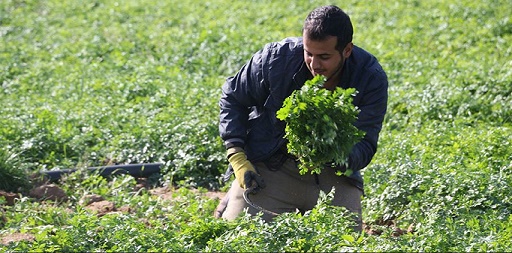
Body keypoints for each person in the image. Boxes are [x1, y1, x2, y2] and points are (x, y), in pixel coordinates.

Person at [215, 5, 388, 231]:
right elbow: (233, 97)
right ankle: (235, 194)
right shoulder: (276, 59)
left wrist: (334, 152)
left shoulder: (370, 77)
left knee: (346, 241)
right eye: (309, 53)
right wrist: (237, 157)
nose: (314, 65)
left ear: (347, 50)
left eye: (324, 57)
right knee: (240, 236)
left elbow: (365, 144)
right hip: (273, 165)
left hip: (332, 174)